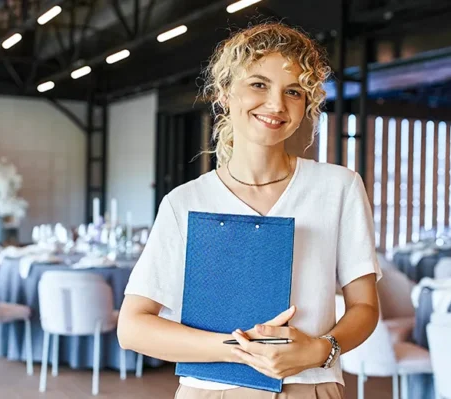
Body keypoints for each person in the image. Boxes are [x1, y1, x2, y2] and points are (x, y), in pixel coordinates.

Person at [118, 22, 381, 399]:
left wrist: (322, 349)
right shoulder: (185, 201)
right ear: (225, 93)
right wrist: (243, 350)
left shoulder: (338, 187)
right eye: (259, 84)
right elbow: (132, 328)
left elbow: (365, 307)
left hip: (310, 386)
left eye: (293, 91)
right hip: (210, 391)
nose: (276, 104)